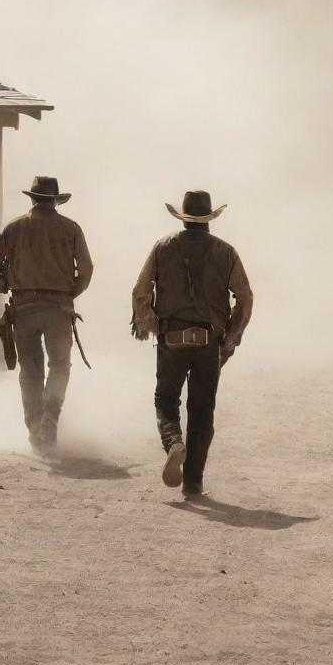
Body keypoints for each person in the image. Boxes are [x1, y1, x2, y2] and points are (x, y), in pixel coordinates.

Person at [131, 190, 252, 497]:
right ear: (209, 219)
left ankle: (174, 443)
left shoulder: (163, 247)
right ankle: (194, 481)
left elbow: (141, 291)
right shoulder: (226, 252)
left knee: (166, 400)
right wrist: (230, 338)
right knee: (202, 410)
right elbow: (245, 298)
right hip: (209, 342)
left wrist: (152, 325)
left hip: (172, 340)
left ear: (184, 218)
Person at [0, 176, 94, 452]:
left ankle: (34, 426)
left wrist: (5, 284)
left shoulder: (15, 227)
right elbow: (86, 269)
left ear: (32, 198)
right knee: (59, 366)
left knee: (30, 370)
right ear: (55, 201)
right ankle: (51, 416)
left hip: (23, 309)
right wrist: (68, 294)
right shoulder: (71, 229)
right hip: (58, 310)